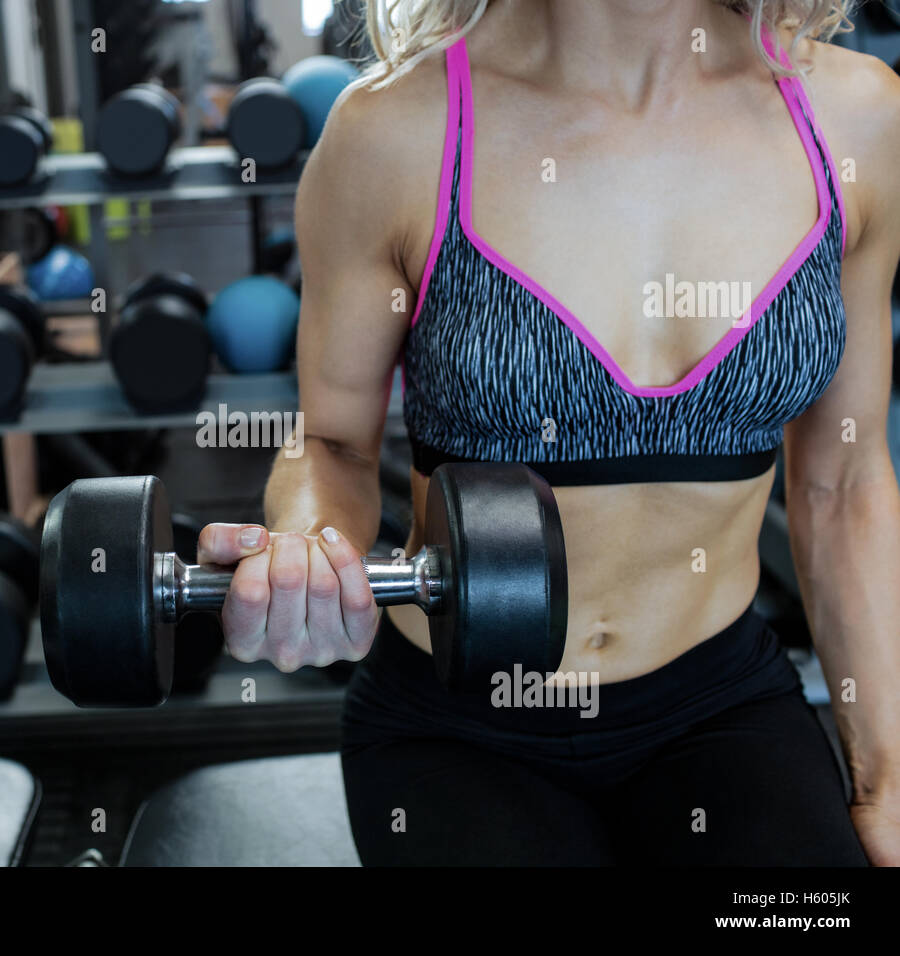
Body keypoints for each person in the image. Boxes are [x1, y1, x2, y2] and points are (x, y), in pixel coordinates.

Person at [197, 0, 900, 865]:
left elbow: (845, 482)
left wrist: (887, 781)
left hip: (719, 703)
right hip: (460, 728)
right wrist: (309, 551)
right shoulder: (394, 130)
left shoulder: (854, 117)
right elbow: (333, 445)